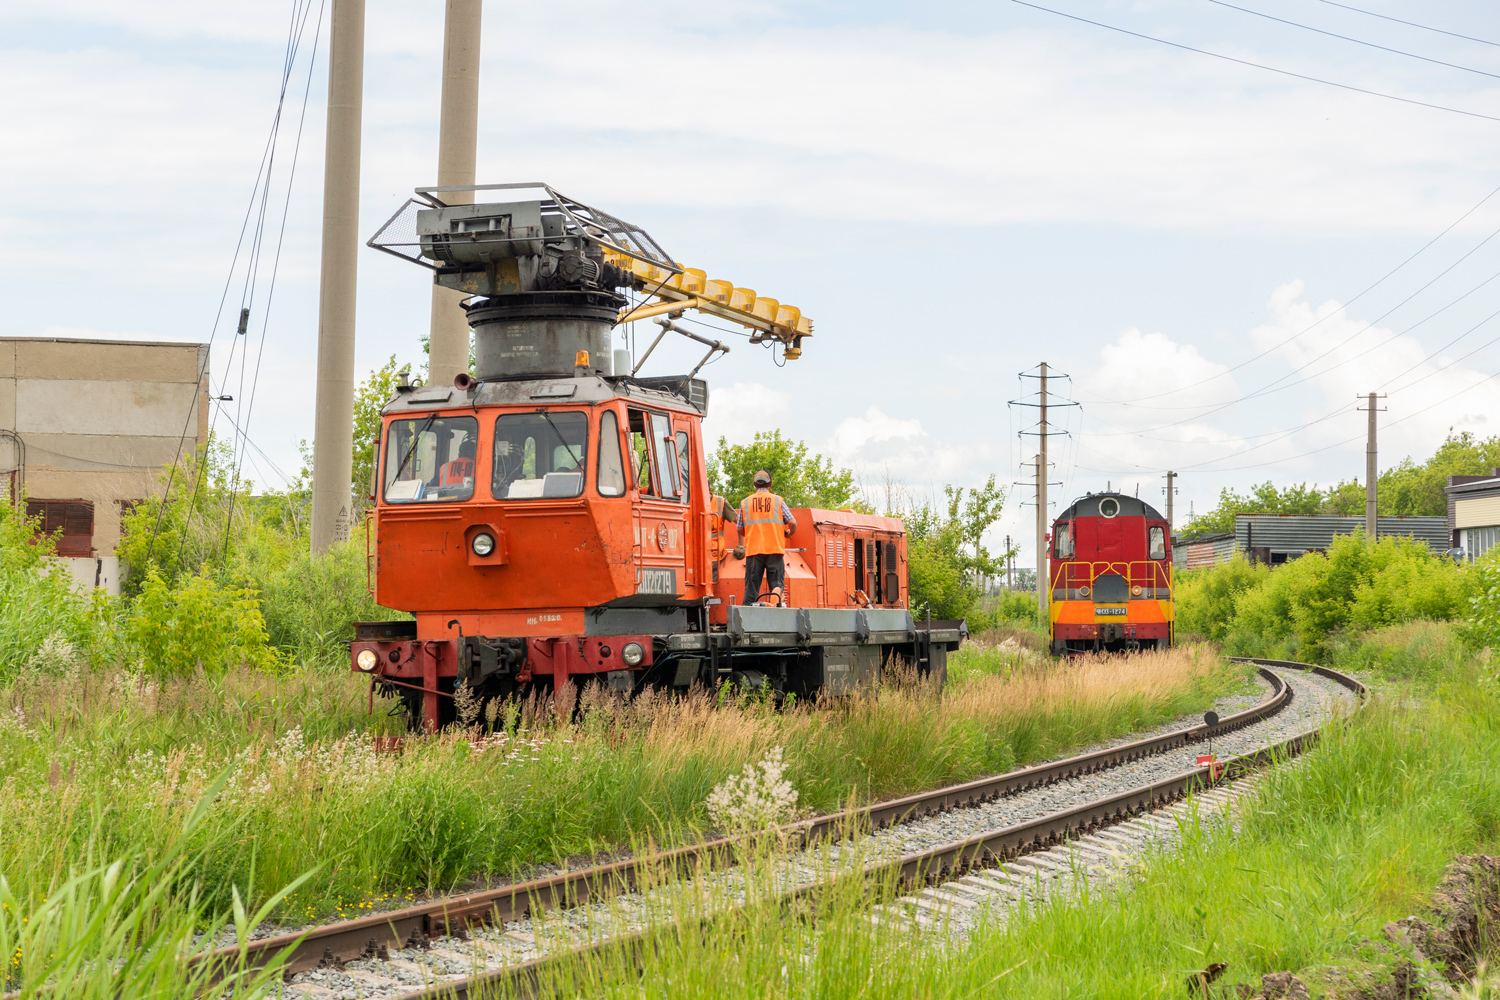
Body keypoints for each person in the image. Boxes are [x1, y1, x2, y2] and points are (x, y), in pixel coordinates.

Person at [737, 469, 795, 606]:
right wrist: (788, 534)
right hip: (775, 550)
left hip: (753, 552)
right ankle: (777, 619)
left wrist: (751, 533)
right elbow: (792, 522)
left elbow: (739, 528)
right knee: (776, 590)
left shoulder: (745, 502)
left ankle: (747, 623)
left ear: (754, 484)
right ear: (771, 484)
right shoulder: (778, 501)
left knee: (751, 591)